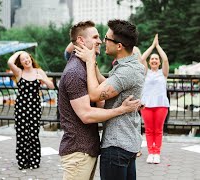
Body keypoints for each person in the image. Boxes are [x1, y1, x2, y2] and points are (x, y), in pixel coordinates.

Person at [58, 20, 141, 180]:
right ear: (81, 41)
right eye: (96, 37)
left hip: (90, 148)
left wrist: (91, 61)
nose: (101, 41)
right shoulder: (76, 72)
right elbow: (87, 114)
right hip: (78, 151)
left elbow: (100, 98)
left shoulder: (88, 68)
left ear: (119, 46)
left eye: (105, 38)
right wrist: (121, 109)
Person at [7, 51, 55, 170]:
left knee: (33, 134)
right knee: (22, 134)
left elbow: (52, 86)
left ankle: (34, 161)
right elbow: (9, 62)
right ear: (21, 62)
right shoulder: (19, 72)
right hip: (21, 108)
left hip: (34, 107)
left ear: (31, 58)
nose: (26, 60)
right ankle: (22, 161)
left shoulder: (39, 71)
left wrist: (43, 79)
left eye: (27, 57)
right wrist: (20, 52)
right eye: (23, 59)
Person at [139, 34, 169, 164]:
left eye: (156, 59)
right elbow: (142, 58)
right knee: (149, 130)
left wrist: (158, 46)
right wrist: (152, 46)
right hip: (146, 105)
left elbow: (166, 60)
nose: (154, 60)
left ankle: (157, 152)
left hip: (161, 105)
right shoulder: (146, 72)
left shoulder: (163, 73)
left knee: (158, 130)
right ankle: (150, 152)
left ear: (159, 62)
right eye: (152, 59)